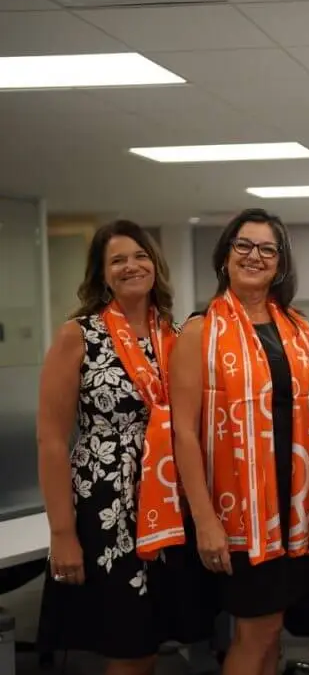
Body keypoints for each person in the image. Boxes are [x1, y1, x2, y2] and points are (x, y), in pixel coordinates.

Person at [35, 220, 211, 674]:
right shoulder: (79, 335)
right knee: (127, 646)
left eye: (140, 256)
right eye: (117, 260)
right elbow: (51, 440)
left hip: (170, 500)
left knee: (151, 641)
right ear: (102, 273)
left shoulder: (175, 335)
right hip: (106, 507)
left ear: (155, 265)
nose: (131, 266)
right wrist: (61, 534)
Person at [171, 208, 309, 675]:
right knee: (254, 631)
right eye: (243, 245)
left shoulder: (300, 330)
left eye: (267, 248)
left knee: (272, 629)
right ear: (225, 256)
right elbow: (182, 430)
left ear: (280, 264)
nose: (254, 256)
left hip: (294, 508)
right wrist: (204, 519)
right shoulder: (200, 331)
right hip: (238, 513)